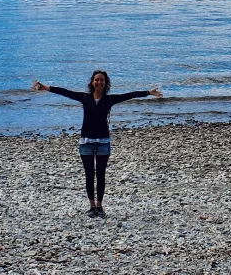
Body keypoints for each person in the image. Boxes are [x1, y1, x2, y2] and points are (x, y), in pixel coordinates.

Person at [32, 71, 162, 218]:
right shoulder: (84, 97)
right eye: (96, 80)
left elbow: (129, 95)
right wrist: (45, 87)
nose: (99, 82)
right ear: (92, 82)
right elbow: (65, 92)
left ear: (105, 83)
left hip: (103, 142)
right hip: (86, 142)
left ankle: (100, 206)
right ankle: (91, 205)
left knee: (101, 174)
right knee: (89, 174)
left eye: (102, 80)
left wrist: (148, 92)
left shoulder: (109, 99)